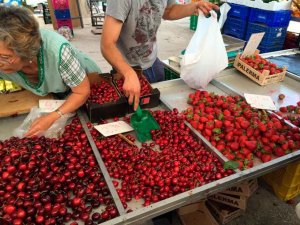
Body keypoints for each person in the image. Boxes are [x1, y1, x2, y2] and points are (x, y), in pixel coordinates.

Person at [0, 5, 101, 137]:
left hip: (84, 82)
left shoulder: (57, 51)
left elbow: (81, 92)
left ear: (26, 52)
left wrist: (53, 116)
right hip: (55, 93)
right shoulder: (7, 62)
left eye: (5, 57)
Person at [101, 0, 219, 110]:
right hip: (127, 69)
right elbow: (107, 45)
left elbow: (168, 11)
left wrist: (193, 6)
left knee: (159, 109)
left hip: (154, 63)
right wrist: (128, 73)